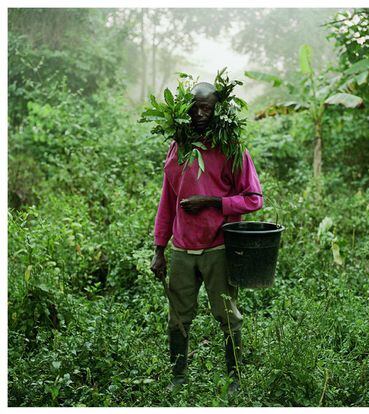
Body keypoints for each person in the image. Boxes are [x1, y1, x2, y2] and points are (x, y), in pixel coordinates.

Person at [150, 82, 263, 395]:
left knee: (228, 317)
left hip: (219, 247)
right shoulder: (178, 147)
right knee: (178, 319)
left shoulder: (232, 149)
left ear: (218, 111)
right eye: (195, 108)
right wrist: (160, 249)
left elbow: (254, 198)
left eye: (207, 108)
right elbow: (166, 201)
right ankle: (177, 378)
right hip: (182, 249)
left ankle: (235, 381)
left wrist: (213, 202)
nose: (201, 114)